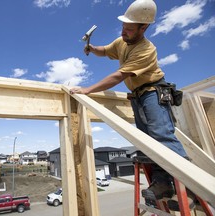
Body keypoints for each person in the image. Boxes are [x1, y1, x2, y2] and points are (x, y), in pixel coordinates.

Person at [70, 0, 191, 209]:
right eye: (123, 27)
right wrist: (91, 48)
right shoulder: (122, 41)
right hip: (137, 95)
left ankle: (191, 188)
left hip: (153, 91)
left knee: (162, 135)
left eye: (129, 29)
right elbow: (106, 51)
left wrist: (88, 89)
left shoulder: (146, 49)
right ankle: (163, 183)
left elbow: (119, 75)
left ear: (143, 28)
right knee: (148, 143)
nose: (124, 32)